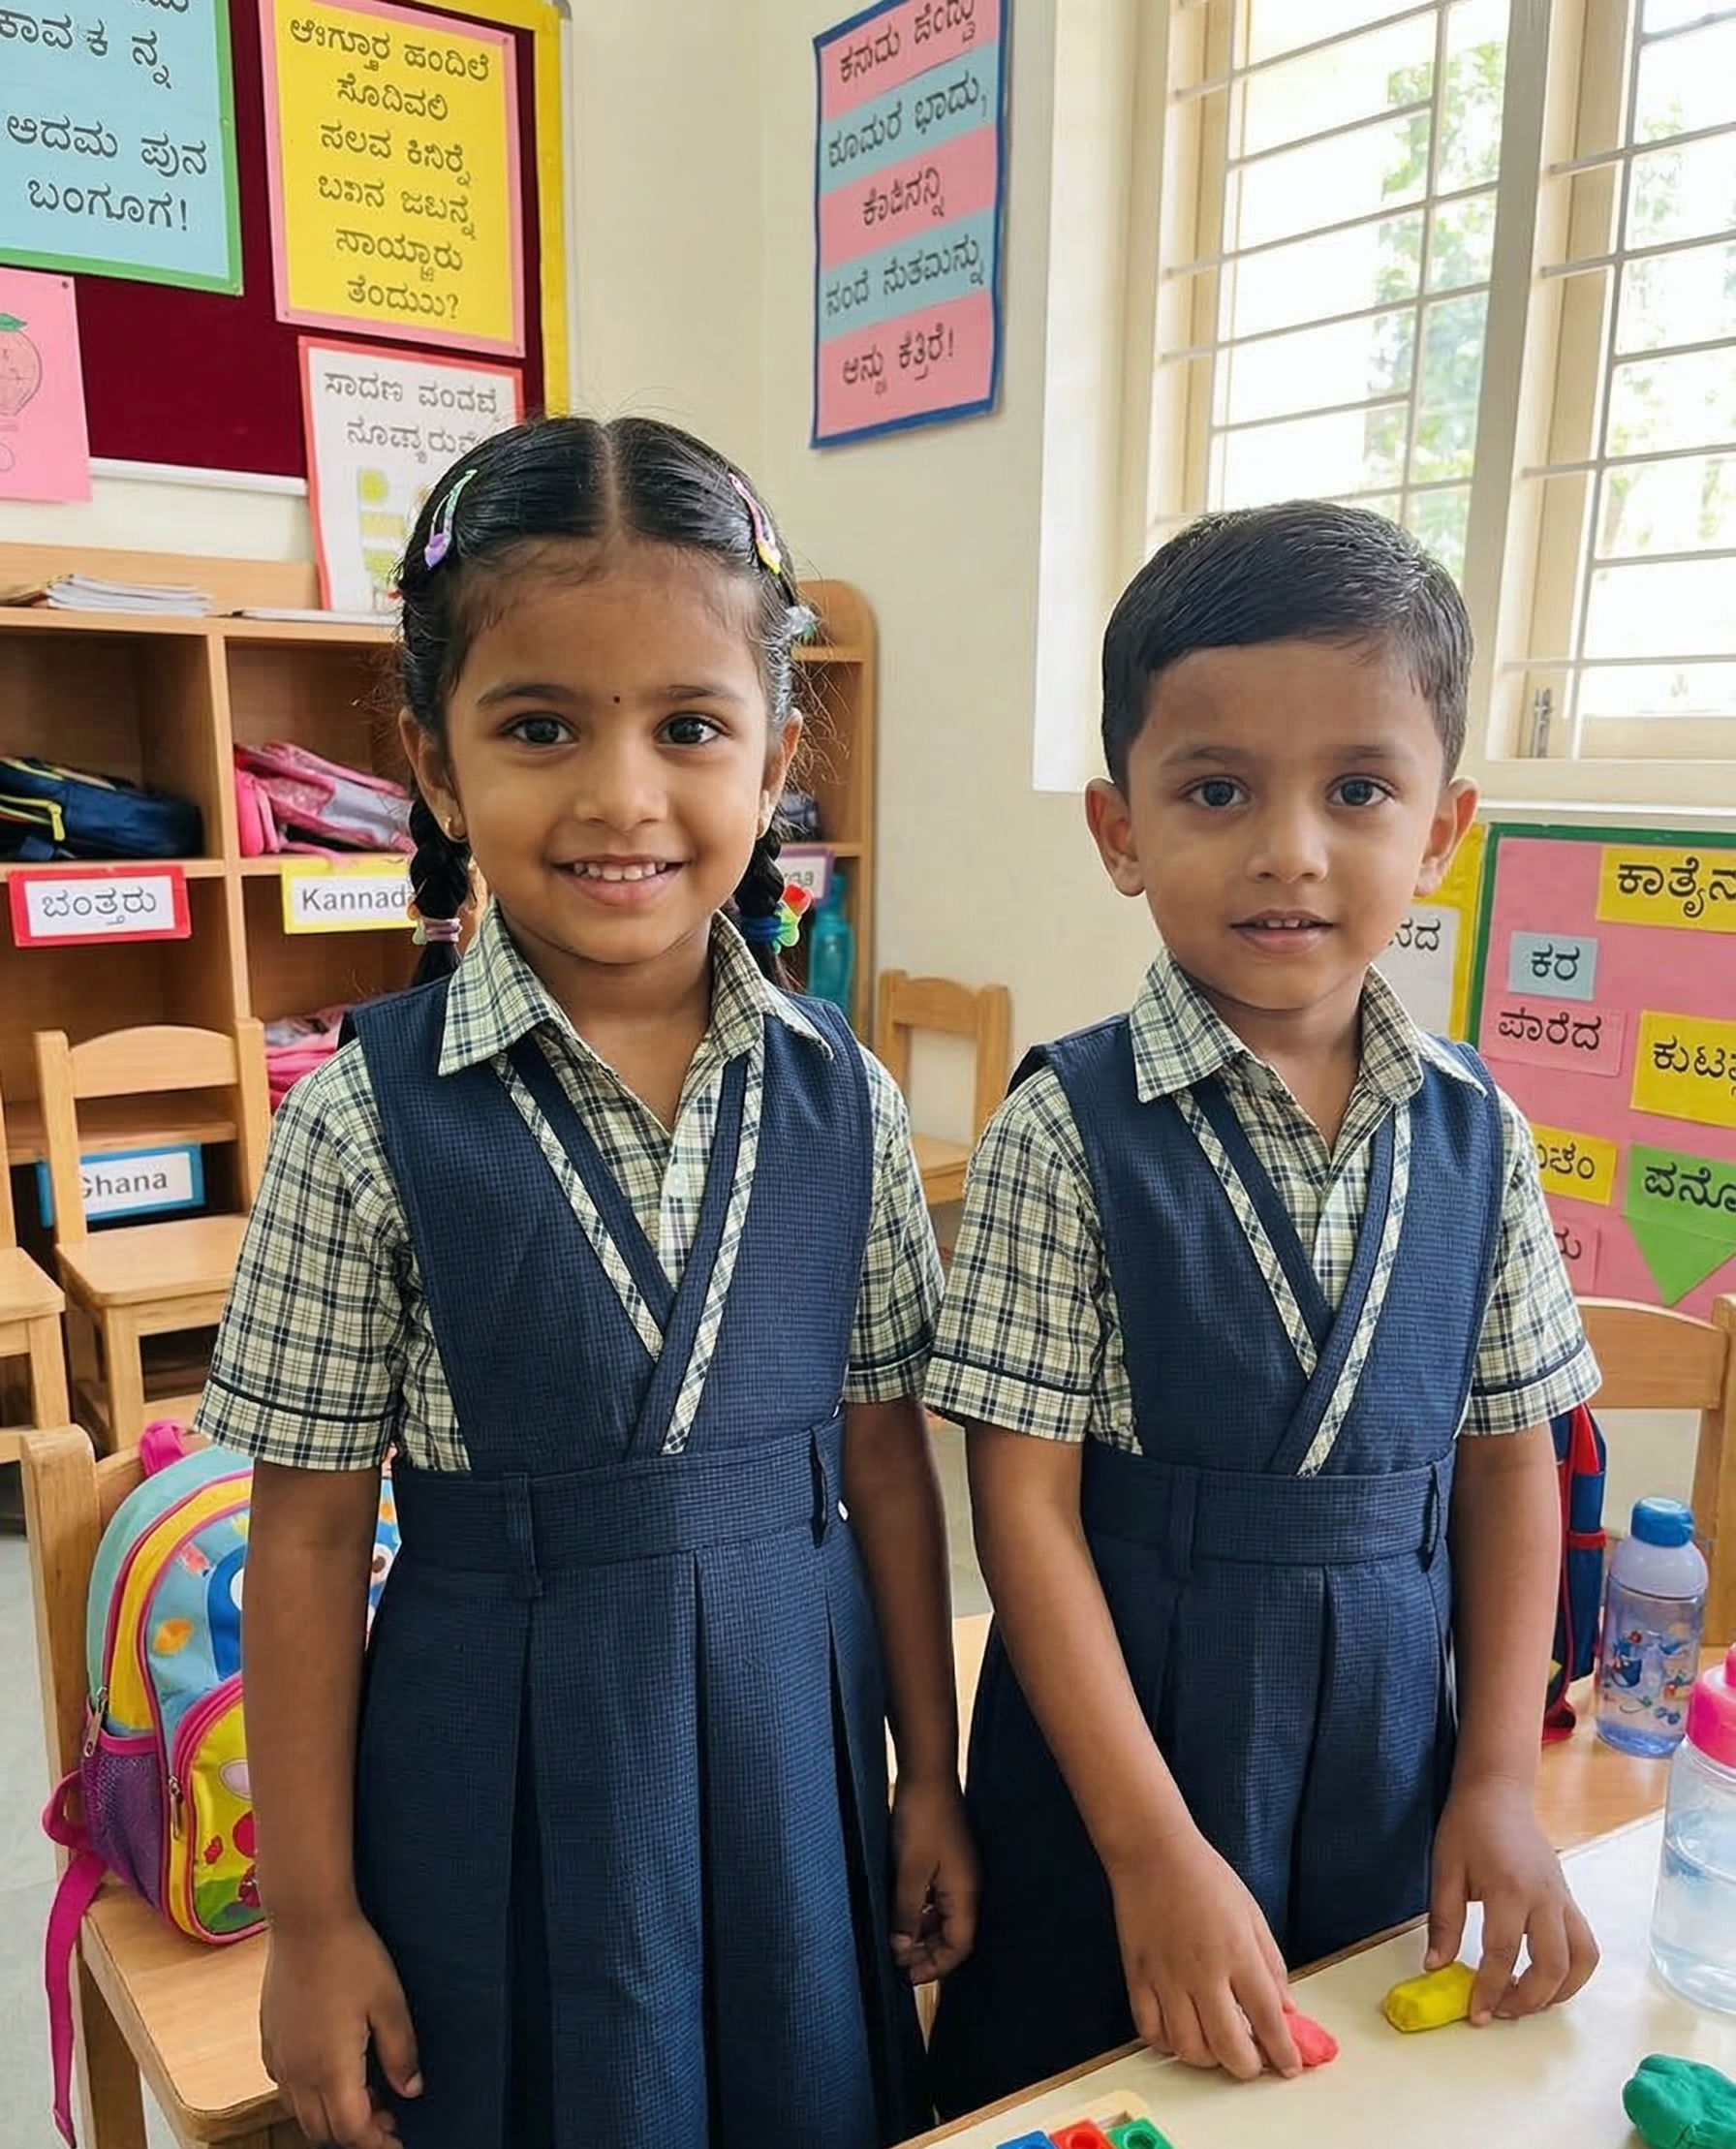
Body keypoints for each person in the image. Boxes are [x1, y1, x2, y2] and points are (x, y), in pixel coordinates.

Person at [196, 417, 976, 2149]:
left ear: (779, 751)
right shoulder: (361, 1121)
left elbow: (885, 1469)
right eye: (542, 725)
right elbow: (310, 1538)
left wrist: (928, 1770)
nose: (622, 794)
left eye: (690, 726)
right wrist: (314, 1921)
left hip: (797, 1752)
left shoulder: (844, 1096)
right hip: (498, 1769)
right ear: (436, 760)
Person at [924, 502, 1601, 2116]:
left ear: (1443, 830)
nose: (1290, 847)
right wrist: (1151, 1848)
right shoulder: (1062, 1127)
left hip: (1384, 1763)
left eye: (1359, 789)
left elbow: (1512, 1459)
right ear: (1120, 826)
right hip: (1121, 1775)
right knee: (1097, 2088)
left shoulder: (1478, 1129)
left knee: (1354, 2086)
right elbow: (1022, 1506)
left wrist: (1499, 1780)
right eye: (1217, 789)